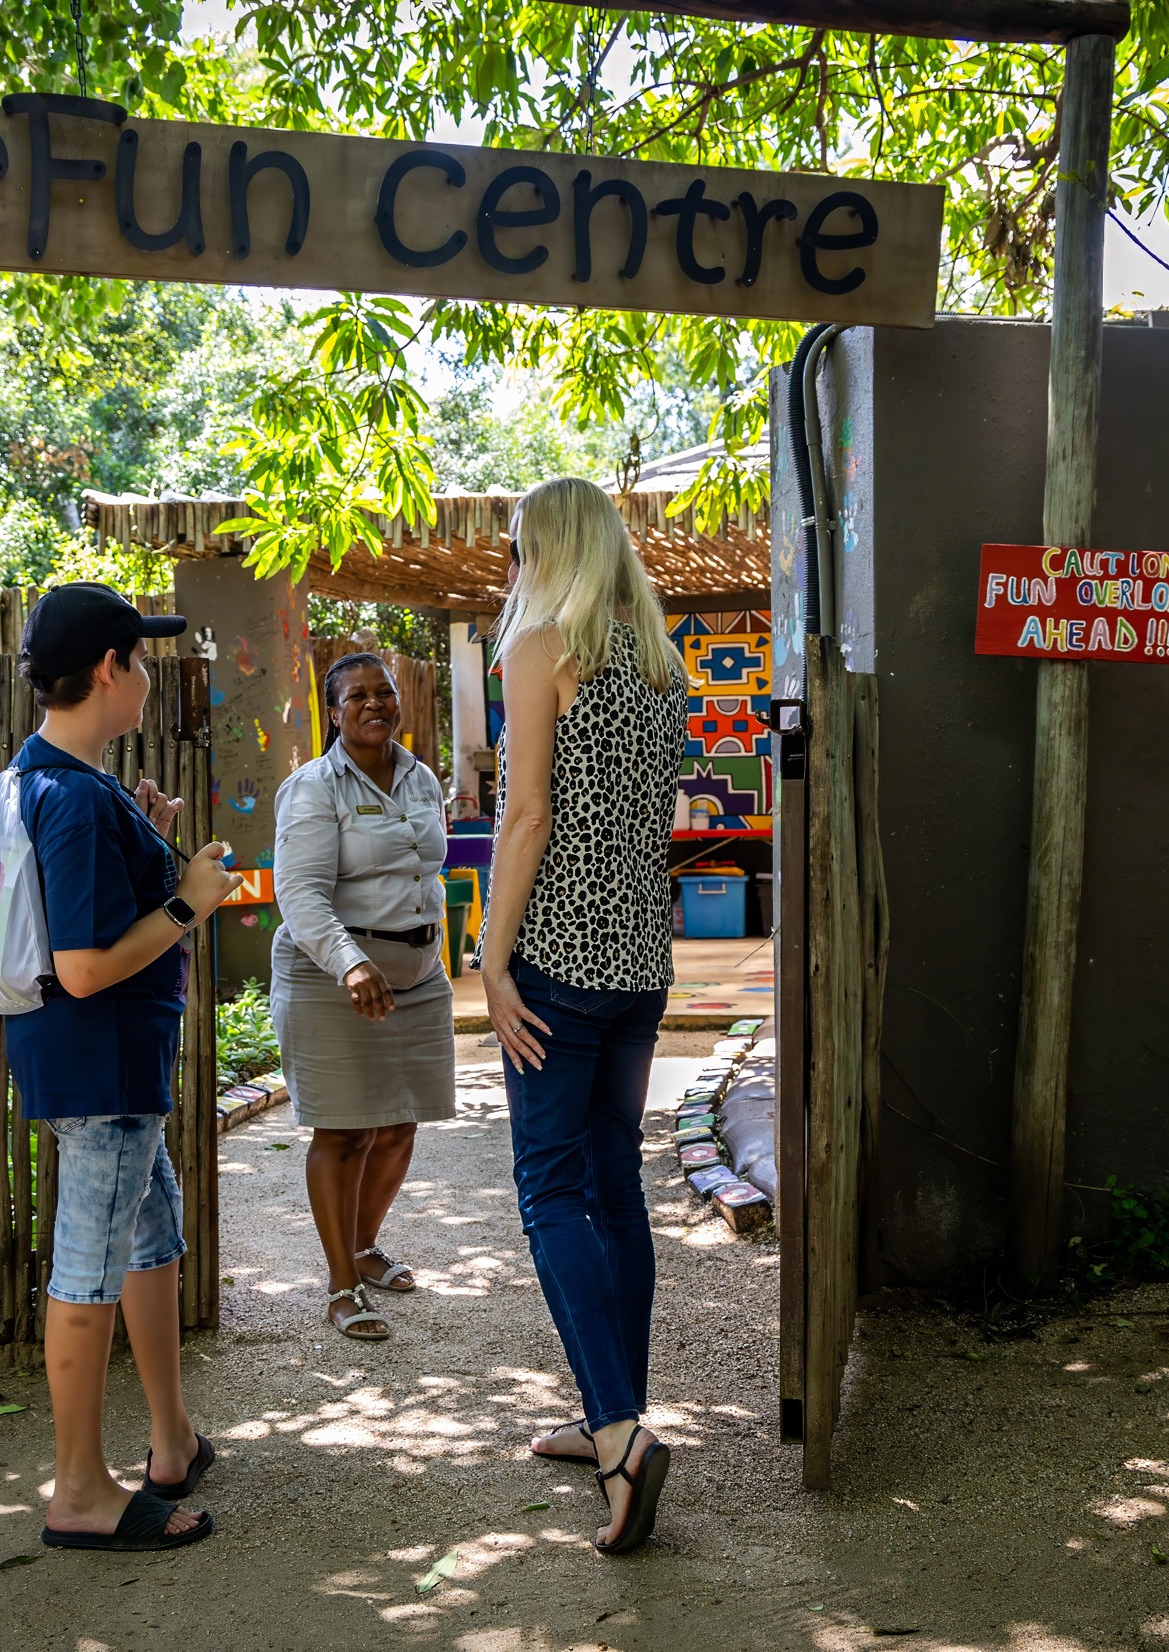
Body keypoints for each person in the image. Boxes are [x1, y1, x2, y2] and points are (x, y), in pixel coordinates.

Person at [5, 581, 240, 1554]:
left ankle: (171, 1437)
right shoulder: (70, 797)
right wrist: (189, 900)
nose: (147, 678)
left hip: (113, 1071)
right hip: (99, 1070)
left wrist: (145, 835)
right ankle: (79, 1488)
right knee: (91, 1260)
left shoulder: (68, 781)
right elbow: (85, 964)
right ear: (110, 669)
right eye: (140, 660)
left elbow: (97, 901)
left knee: (152, 1232)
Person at [478, 477, 688, 1556]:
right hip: (639, 965)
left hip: (557, 960)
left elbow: (525, 814)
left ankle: (614, 1429)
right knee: (615, 1188)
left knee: (551, 1189)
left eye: (519, 543)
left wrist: (490, 952)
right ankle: (622, 1411)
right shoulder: (656, 662)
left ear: (545, 546)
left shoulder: (539, 646)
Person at [269, 652, 456, 1342]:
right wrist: (350, 964)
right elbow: (301, 895)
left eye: (384, 693)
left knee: (400, 1122)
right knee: (345, 1131)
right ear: (334, 712)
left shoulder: (421, 778)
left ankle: (364, 1247)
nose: (375, 705)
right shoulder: (314, 788)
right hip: (331, 977)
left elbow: (422, 871)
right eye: (357, 697)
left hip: (416, 972)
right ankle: (340, 1285)